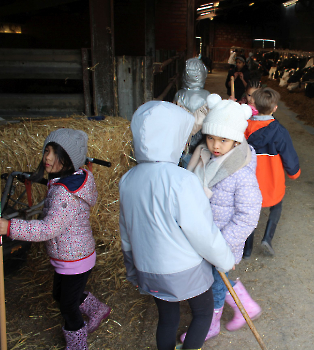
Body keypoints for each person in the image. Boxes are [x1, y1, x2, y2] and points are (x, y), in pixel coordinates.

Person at [118, 101, 235, 350]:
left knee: (168, 319)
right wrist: (225, 259)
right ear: (173, 139)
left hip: (148, 267)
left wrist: (132, 267)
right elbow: (202, 232)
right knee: (203, 314)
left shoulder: (128, 179)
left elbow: (126, 231)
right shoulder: (183, 181)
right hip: (184, 269)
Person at [0, 128, 110, 349]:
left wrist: (9, 227)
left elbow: (48, 229)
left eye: (54, 153)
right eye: (47, 150)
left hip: (75, 259)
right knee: (60, 294)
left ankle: (77, 343)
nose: (47, 157)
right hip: (72, 255)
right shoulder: (72, 179)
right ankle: (98, 309)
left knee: (68, 306)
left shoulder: (64, 193)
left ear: (69, 159)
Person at [180, 94, 262, 342]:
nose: (215, 144)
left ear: (237, 140)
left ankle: (211, 324)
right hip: (204, 238)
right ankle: (245, 306)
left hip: (222, 242)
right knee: (215, 279)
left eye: (223, 139)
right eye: (211, 137)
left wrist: (221, 245)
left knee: (214, 284)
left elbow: (248, 217)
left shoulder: (242, 174)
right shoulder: (205, 156)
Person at [243, 87, 301, 258]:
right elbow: (289, 155)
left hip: (250, 178)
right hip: (272, 178)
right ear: (275, 107)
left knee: (250, 211)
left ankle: (247, 250)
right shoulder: (279, 131)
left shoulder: (244, 126)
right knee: (277, 204)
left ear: (254, 103)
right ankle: (267, 238)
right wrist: (294, 172)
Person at [173, 57, 211, 168]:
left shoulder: (179, 95)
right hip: (201, 141)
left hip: (184, 140)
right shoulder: (207, 95)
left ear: (185, 75)